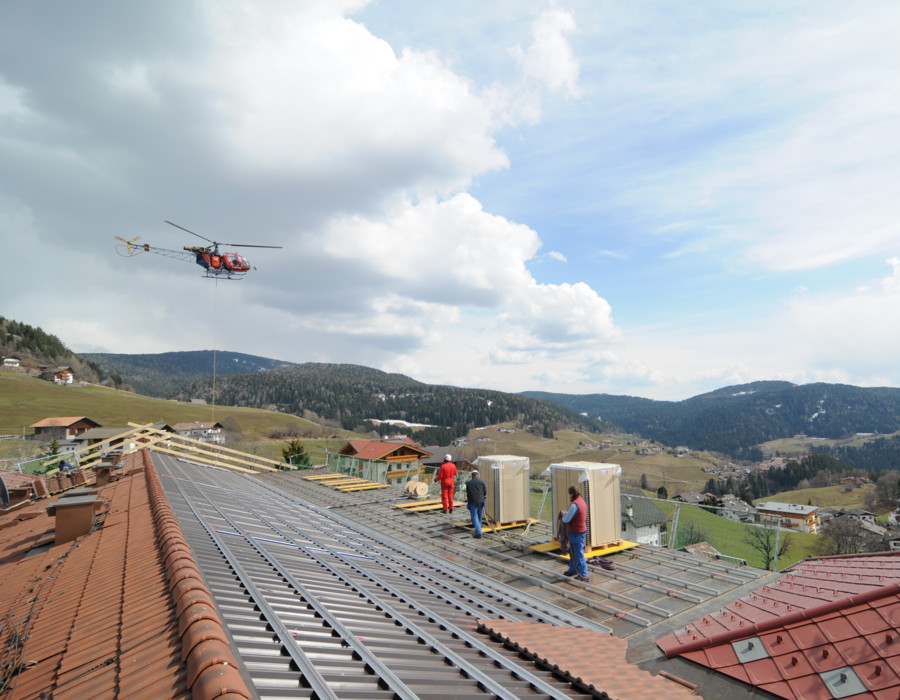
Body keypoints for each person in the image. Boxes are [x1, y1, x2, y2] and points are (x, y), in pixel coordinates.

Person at [561, 485, 590, 582]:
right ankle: (572, 570)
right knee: (572, 552)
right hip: (581, 531)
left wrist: (564, 515)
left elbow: (566, 519)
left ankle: (584, 575)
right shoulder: (582, 501)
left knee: (578, 553)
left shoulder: (574, 505)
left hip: (576, 532)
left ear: (571, 493)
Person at [465, 469, 487, 538]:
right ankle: (479, 527)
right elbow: (485, 491)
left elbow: (468, 493)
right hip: (481, 500)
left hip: (472, 501)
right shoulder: (482, 482)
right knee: (479, 514)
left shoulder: (469, 483)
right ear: (478, 475)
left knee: (474, 516)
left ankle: (478, 532)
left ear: (472, 475)